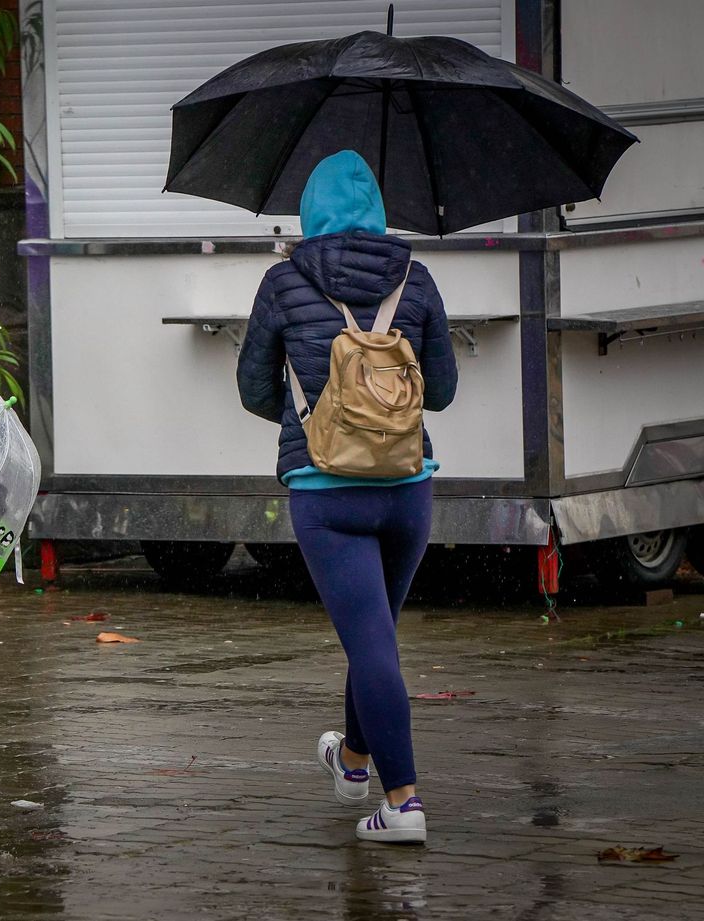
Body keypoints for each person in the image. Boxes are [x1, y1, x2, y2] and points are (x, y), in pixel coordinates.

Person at [236, 150, 459, 844]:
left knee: (372, 645)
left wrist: (307, 413)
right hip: (407, 488)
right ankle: (354, 761)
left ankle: (404, 804)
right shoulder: (416, 279)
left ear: (309, 214)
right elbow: (442, 392)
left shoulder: (283, 281)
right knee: (375, 637)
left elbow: (253, 390)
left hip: (326, 493)